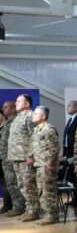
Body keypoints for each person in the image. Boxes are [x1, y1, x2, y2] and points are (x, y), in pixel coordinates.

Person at [7, 94, 39, 222]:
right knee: (22, 185)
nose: (16, 103)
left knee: (29, 185)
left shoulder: (30, 116)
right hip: (16, 157)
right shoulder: (18, 117)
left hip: (25, 157)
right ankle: (29, 209)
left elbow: (34, 137)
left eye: (18, 101)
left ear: (27, 104)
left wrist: (31, 155)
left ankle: (33, 211)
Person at [28, 106, 60, 225]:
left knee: (48, 191)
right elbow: (34, 146)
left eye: (36, 113)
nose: (33, 115)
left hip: (46, 165)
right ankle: (47, 214)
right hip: (39, 164)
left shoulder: (48, 129)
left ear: (43, 116)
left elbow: (54, 148)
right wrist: (30, 156)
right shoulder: (36, 129)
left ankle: (52, 215)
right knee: (42, 190)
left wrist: (50, 162)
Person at [1, 101, 24, 216]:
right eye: (3, 107)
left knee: (15, 183)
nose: (3, 109)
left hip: (13, 157)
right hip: (5, 157)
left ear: (13, 108)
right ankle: (16, 206)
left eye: (6, 107)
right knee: (10, 184)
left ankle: (19, 207)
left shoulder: (16, 121)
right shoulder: (7, 122)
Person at [62, 99, 77, 208]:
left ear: (76, 107)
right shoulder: (71, 119)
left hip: (76, 152)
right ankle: (76, 197)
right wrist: (65, 153)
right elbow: (67, 138)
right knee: (73, 175)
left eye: (70, 105)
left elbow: (76, 138)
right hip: (69, 152)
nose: (67, 108)